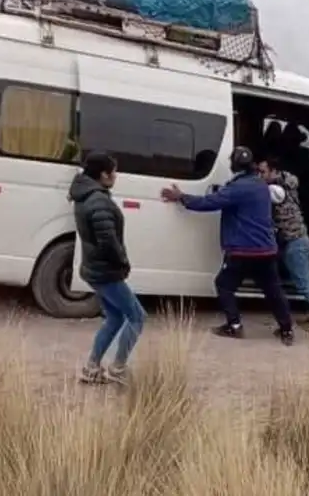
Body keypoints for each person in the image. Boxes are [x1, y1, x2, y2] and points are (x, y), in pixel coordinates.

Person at [161, 146, 294, 345]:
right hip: (266, 249)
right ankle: (286, 329)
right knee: (273, 291)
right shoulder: (260, 184)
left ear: (233, 165)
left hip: (243, 250)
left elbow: (208, 203)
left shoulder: (237, 188)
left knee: (224, 285)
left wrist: (181, 197)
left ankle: (234, 325)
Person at [70, 152, 145, 384]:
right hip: (106, 272)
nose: (116, 175)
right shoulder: (99, 201)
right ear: (103, 174)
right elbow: (108, 242)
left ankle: (91, 368)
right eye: (113, 171)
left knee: (114, 317)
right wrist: (122, 262)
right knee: (137, 316)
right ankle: (118, 368)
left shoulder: (85, 195)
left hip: (94, 269)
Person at [258, 156, 309, 331]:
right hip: (301, 239)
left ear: (274, 172)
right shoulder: (288, 182)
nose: (259, 175)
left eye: (262, 172)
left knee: (303, 282)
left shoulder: (275, 190)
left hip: (294, 242)